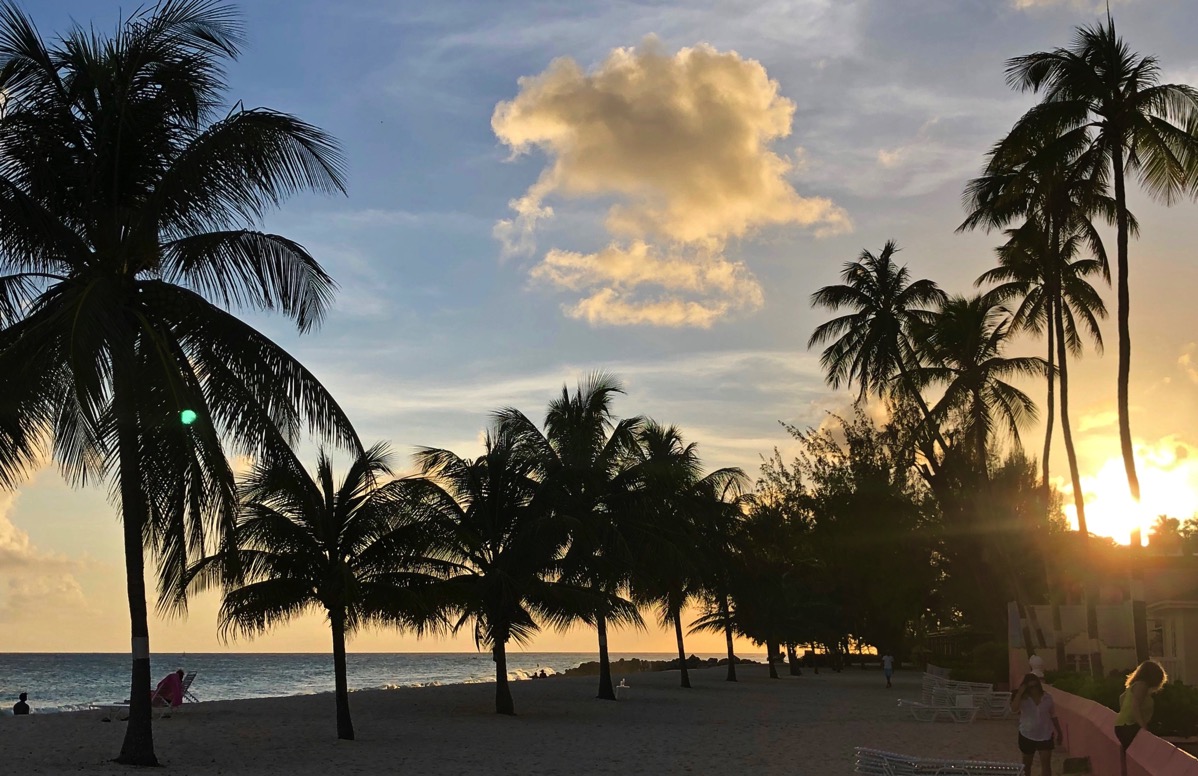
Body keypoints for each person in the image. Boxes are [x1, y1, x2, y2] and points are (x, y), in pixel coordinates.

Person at [1009, 672, 1062, 776]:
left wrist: (1059, 732)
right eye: (1030, 687)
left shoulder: (1047, 698)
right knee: (1027, 766)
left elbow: (1053, 715)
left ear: (1039, 685)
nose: (1034, 689)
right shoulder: (1023, 699)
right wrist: (1019, 693)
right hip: (1027, 734)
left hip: (1045, 734)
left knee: (1046, 764)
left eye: (1035, 686)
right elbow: (1013, 709)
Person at [1114, 660, 1168, 751]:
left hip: (1121, 725)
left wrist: (1125, 713)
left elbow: (1121, 698)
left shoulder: (1134, 685)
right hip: (1130, 726)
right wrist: (1143, 727)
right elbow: (1136, 706)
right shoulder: (1142, 685)